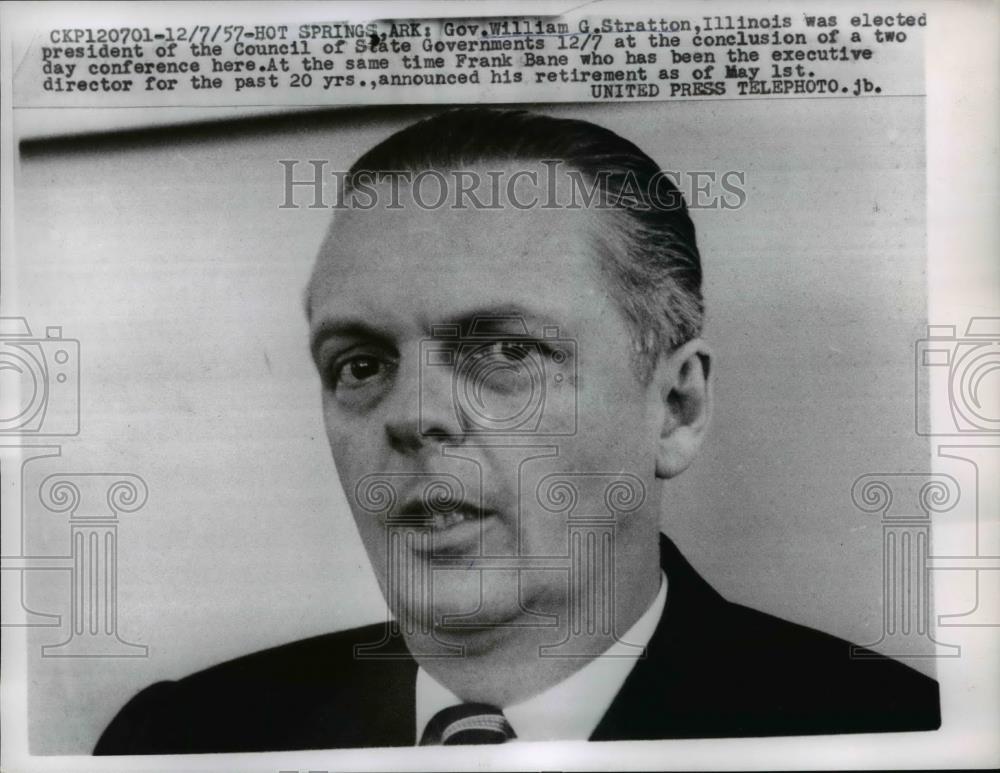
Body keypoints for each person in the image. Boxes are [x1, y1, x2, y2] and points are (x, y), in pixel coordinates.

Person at [95, 108, 939, 753]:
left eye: (506, 349)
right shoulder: (185, 738)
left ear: (675, 408)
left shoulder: (892, 732)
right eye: (361, 363)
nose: (412, 413)